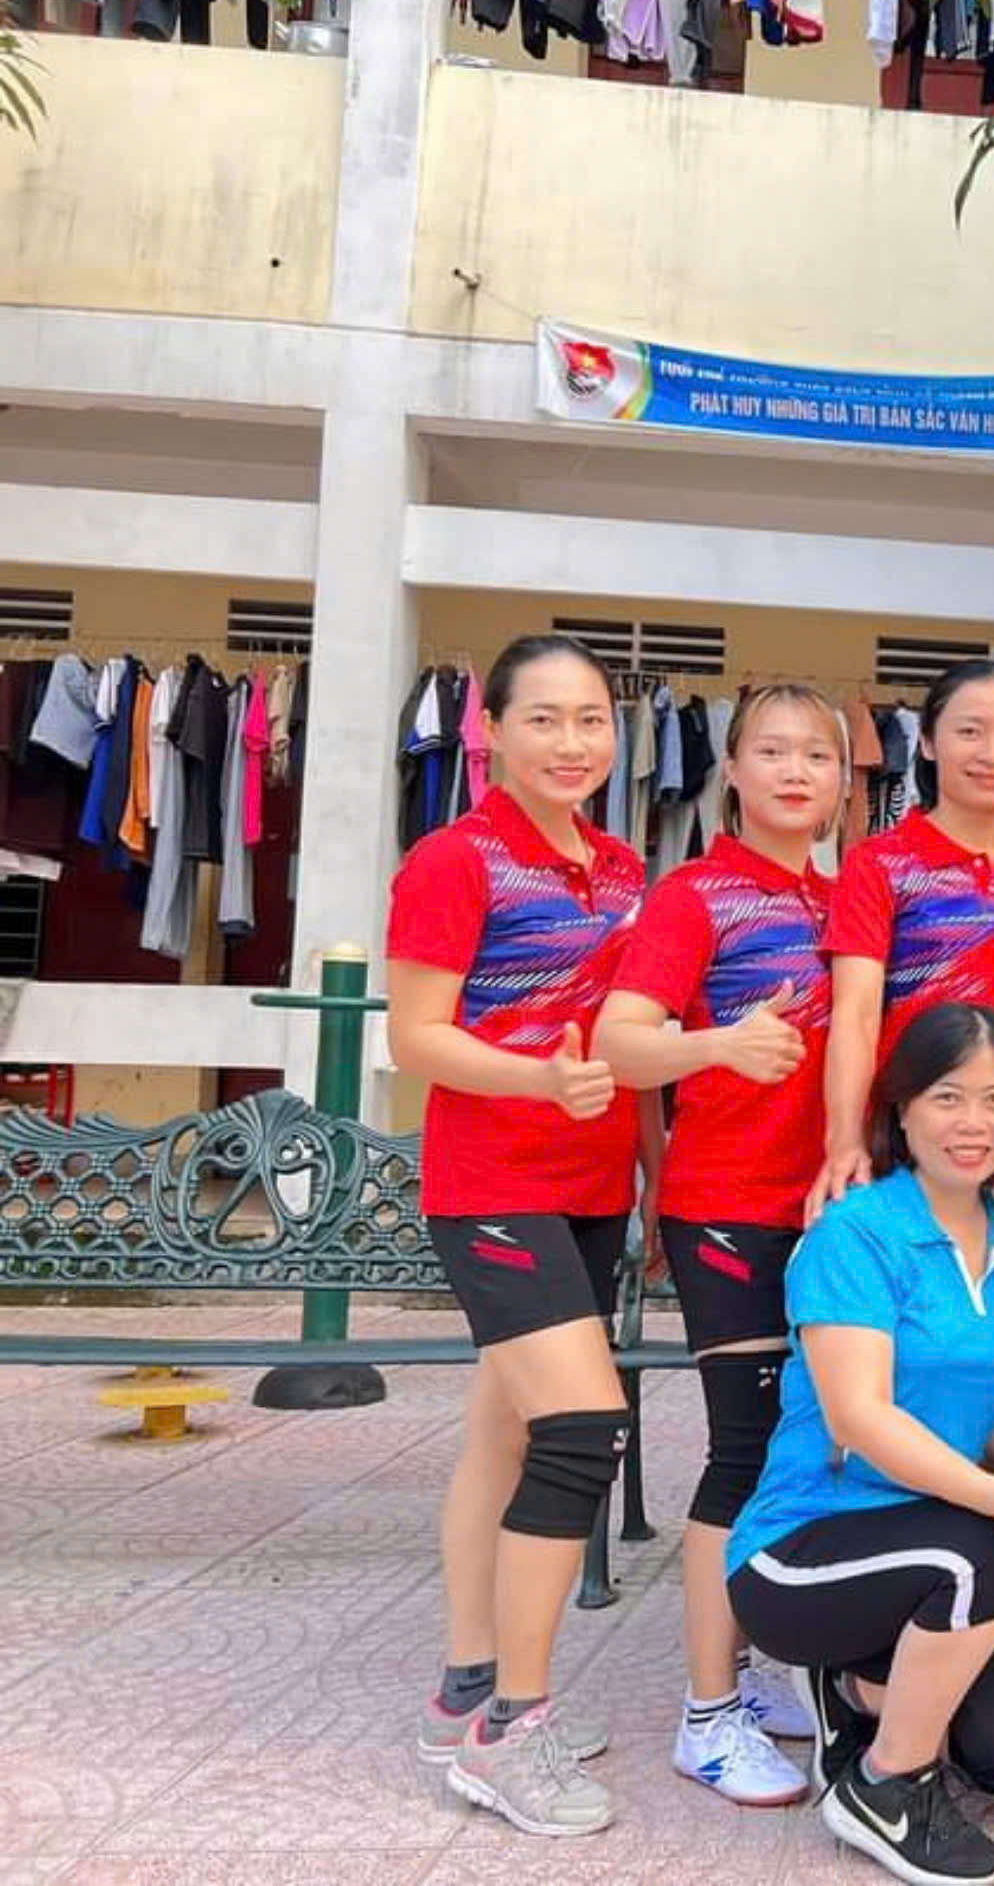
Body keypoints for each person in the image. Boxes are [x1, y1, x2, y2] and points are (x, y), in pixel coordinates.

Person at [388, 633, 650, 1837]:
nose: (571, 741)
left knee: (501, 1429)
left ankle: (464, 1688)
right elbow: (416, 1036)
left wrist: (655, 1178)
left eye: (591, 717)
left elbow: (634, 1037)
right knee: (582, 1425)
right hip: (492, 1179)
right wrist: (539, 1080)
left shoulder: (625, 866)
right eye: (542, 717)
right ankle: (511, 1728)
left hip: (593, 1185)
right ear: (489, 729)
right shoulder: (455, 858)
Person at [727, 1003, 994, 1886]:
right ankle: (887, 1786)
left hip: (926, 1545)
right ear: (902, 1107)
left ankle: (853, 1689)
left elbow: (986, 1404)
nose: (974, 1123)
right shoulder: (856, 1232)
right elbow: (859, 1416)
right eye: (948, 1097)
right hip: (803, 1550)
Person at [595, 682, 846, 1807]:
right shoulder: (691, 896)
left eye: (817, 756)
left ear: (845, 783)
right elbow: (621, 1045)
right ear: (732, 770)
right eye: (772, 751)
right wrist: (719, 1045)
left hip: (836, 1216)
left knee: (815, 1446)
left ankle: (751, 1656)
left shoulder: (850, 899)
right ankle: (706, 1714)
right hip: (730, 1208)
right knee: (743, 1451)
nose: (795, 772)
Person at [817, 659, 994, 1422]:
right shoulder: (880, 866)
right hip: (906, 1162)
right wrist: (846, 1143)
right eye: (971, 732)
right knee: (906, 1386)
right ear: (930, 742)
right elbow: (856, 1015)